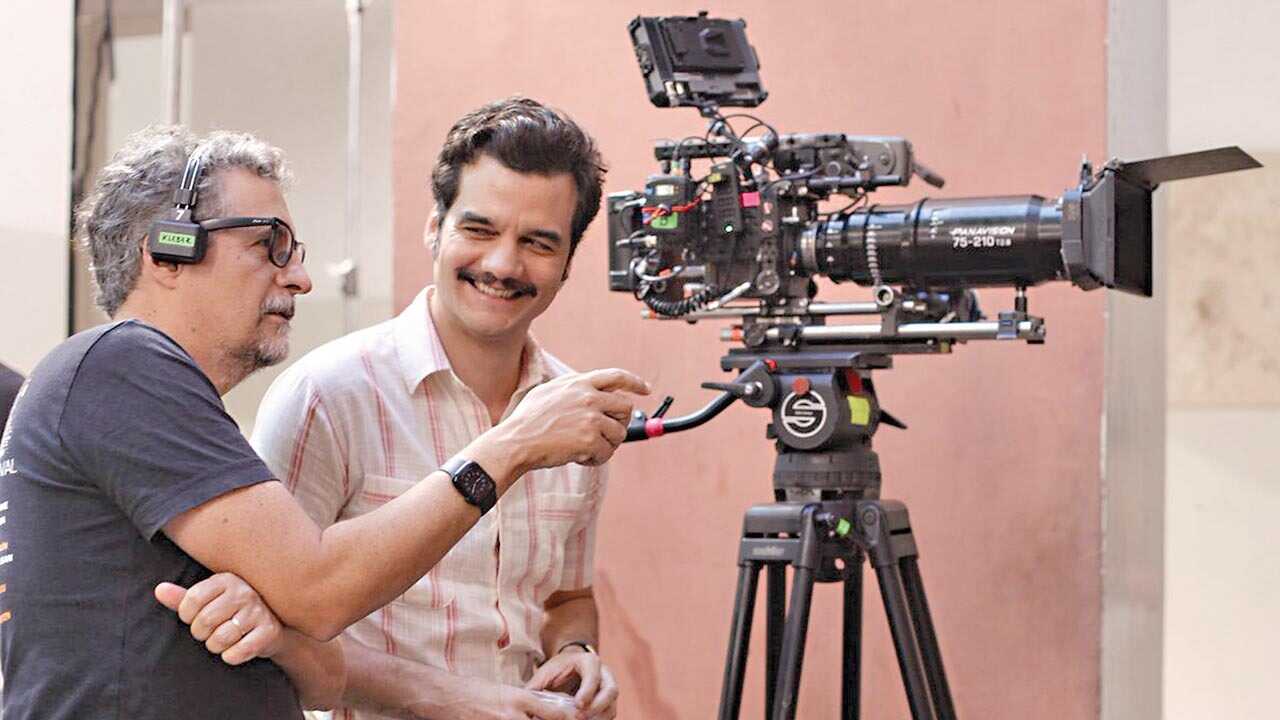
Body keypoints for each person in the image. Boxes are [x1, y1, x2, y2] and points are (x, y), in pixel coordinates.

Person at [0, 124, 645, 720]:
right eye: (270, 245)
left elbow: (313, 660)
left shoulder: (152, 392)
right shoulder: (123, 366)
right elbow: (319, 590)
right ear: (169, 251)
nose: (301, 278)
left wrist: (502, 685)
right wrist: (509, 448)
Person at [248, 97, 624, 719]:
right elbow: (269, 621)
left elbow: (567, 597)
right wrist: (451, 701)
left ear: (567, 265)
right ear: (434, 227)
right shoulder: (326, 395)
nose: (502, 264)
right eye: (479, 230)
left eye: (537, 243)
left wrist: (575, 650)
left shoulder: (574, 412)